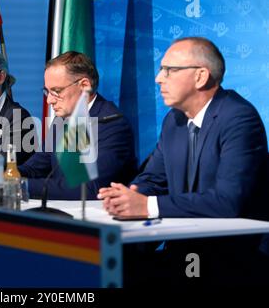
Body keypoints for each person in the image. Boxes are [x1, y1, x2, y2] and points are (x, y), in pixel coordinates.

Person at [98, 37, 268, 220]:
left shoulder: (238, 118)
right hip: (184, 241)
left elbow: (228, 201)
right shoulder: (174, 120)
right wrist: (127, 196)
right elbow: (153, 179)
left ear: (201, 76)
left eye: (169, 70)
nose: (158, 78)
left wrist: (147, 206)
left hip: (234, 245)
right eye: (161, 69)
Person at [18, 51, 137, 200]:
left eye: (56, 91)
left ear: (84, 85)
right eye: (47, 92)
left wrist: (20, 186)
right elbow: (35, 167)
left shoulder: (113, 124)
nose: (49, 100)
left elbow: (91, 187)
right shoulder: (61, 120)